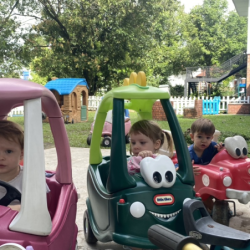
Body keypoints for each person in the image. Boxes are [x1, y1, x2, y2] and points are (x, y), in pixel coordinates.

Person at [0, 120, 49, 212]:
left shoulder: (32, 179)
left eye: (8, 151)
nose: (1, 158)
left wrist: (15, 209)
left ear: (21, 154)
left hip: (23, 223)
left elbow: (39, 206)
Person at [189, 118, 224, 213]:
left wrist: (221, 152)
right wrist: (188, 170)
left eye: (208, 138)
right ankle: (215, 213)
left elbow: (222, 160)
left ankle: (222, 209)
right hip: (197, 184)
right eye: (200, 137)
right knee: (204, 197)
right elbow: (178, 167)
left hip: (211, 180)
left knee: (221, 193)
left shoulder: (213, 148)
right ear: (192, 137)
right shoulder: (188, 153)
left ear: (212, 138)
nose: (204, 141)